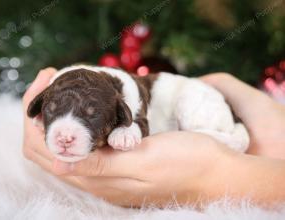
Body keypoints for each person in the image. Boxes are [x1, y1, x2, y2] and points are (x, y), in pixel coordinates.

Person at [23, 68, 285, 208]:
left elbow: (137, 125)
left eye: (90, 116)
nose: (66, 136)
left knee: (193, 102)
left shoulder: (128, 102)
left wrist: (219, 173)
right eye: (54, 111)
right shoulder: (68, 88)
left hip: (198, 104)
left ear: (119, 112)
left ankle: (224, 137)